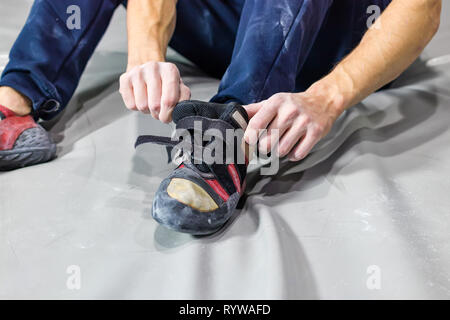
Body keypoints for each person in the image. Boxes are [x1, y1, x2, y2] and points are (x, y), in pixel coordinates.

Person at [0, 0, 442, 233]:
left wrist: (326, 98)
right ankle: (15, 100)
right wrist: (144, 57)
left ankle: (228, 132)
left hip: (347, 42)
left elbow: (421, 7)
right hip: (242, 25)